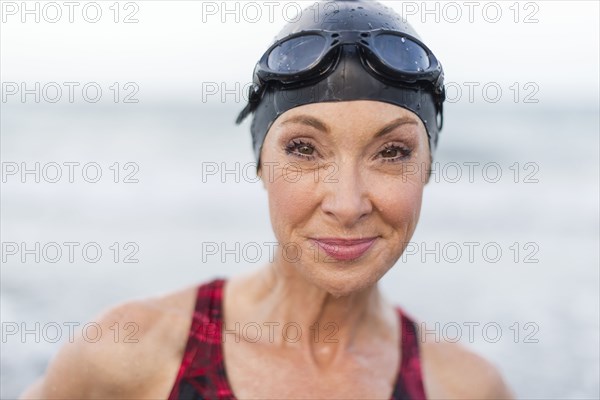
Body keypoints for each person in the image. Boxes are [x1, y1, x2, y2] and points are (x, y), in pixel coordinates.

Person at [20, 1, 514, 399]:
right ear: (261, 163)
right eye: (303, 149)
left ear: (427, 168)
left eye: (392, 153)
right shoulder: (127, 352)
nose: (347, 204)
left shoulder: (467, 387)